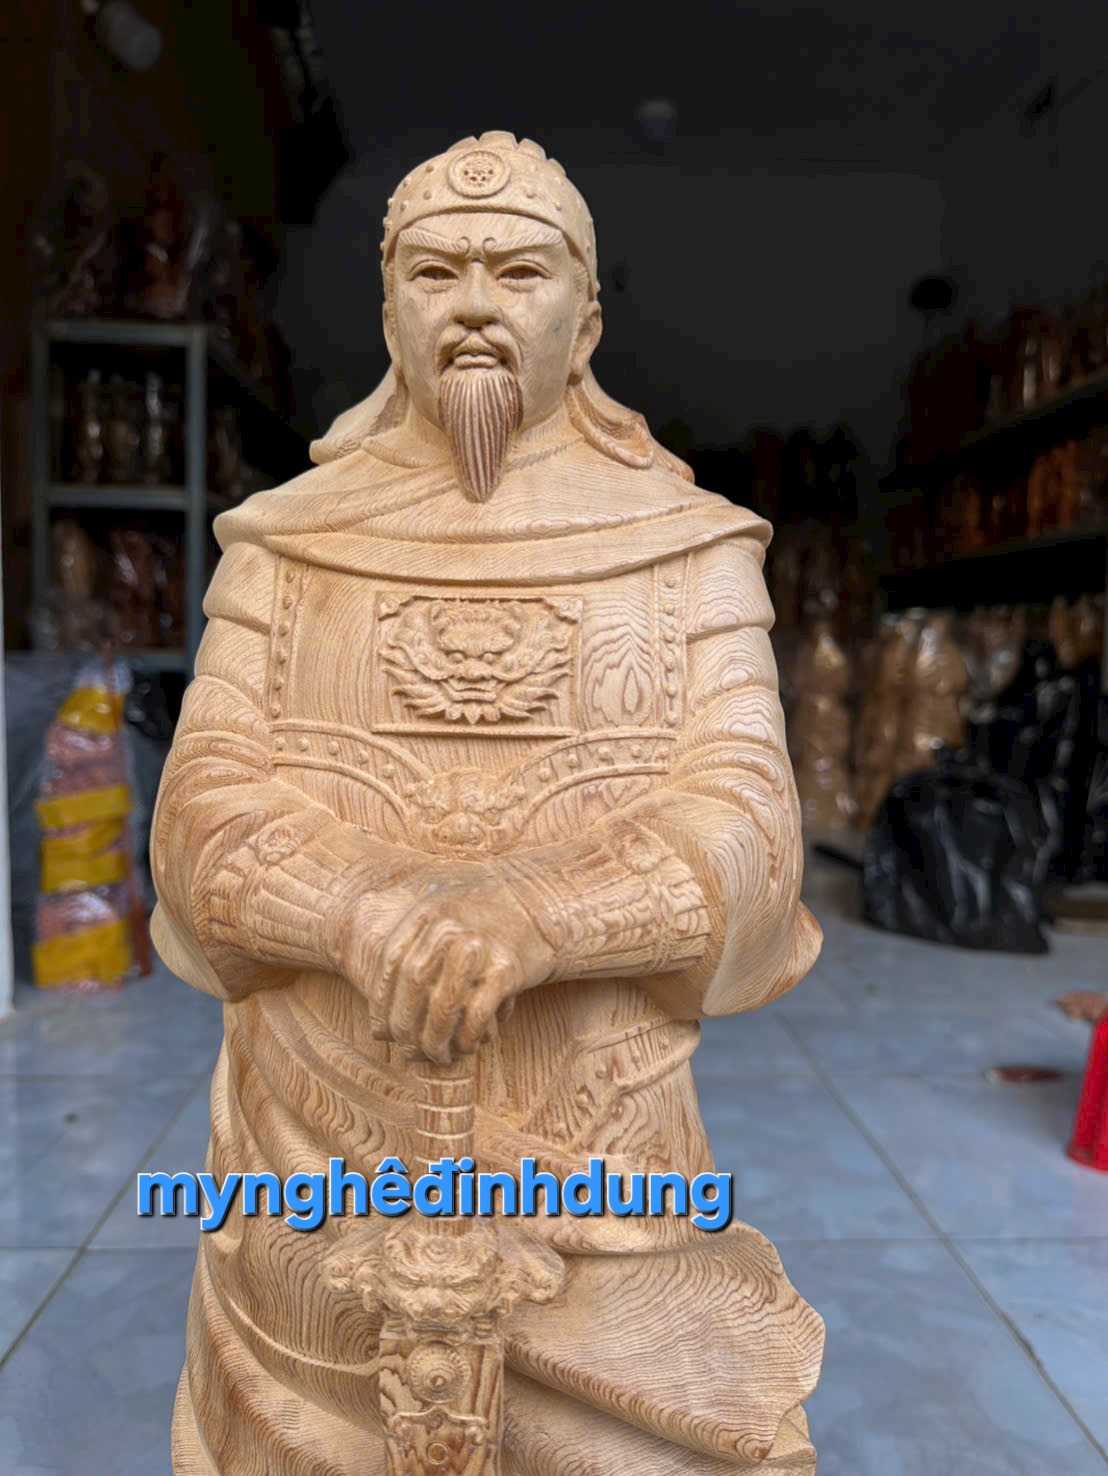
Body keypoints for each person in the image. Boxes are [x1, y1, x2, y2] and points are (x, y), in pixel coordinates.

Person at [151, 130, 824, 1476]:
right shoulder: (285, 543)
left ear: (587, 321)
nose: (473, 304)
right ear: (389, 312)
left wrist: (537, 915)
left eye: (518, 272)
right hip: (309, 1167)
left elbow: (749, 823)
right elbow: (198, 813)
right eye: (435, 272)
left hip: (600, 1168)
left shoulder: (690, 550)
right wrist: (354, 910)